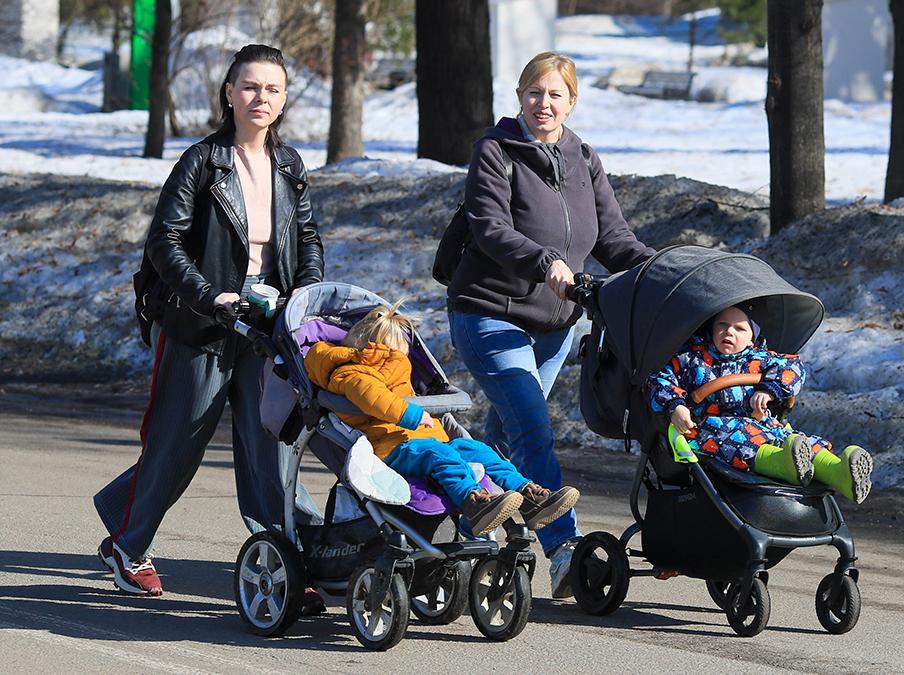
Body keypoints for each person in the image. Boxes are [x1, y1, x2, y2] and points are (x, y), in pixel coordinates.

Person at [94, 45, 324, 600]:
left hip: (268, 330)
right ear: (228, 93)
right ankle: (129, 546)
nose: (260, 98)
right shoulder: (203, 161)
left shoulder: (289, 165)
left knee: (274, 446)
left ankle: (287, 564)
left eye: (272, 89)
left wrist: (308, 295)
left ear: (285, 98)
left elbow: (308, 239)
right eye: (249, 87)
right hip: (202, 328)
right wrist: (205, 296)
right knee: (178, 444)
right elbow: (164, 241)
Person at [446, 51, 655, 597]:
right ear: (520, 97)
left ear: (572, 100)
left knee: (505, 434)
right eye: (534, 92)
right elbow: (488, 226)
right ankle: (564, 548)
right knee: (533, 430)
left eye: (555, 94)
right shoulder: (495, 152)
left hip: (556, 326)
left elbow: (613, 239)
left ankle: (464, 541)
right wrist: (545, 263)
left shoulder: (583, 157)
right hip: (489, 314)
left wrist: (665, 272)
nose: (544, 103)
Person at [304, 303, 580, 536]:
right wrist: (411, 414)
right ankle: (473, 503)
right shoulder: (350, 373)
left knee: (477, 450)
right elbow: (372, 398)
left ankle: (527, 495)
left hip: (422, 441)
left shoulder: (387, 367)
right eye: (399, 353)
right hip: (391, 449)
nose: (403, 358)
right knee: (440, 454)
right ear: (378, 350)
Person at [649, 303, 874, 504]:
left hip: (761, 423)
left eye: (739, 328)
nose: (729, 332)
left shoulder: (761, 358)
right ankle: (784, 465)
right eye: (722, 324)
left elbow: (793, 367)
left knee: (795, 441)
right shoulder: (692, 358)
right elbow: (661, 379)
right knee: (744, 445)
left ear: (753, 337)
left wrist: (770, 390)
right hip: (714, 427)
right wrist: (675, 406)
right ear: (712, 327)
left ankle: (840, 474)